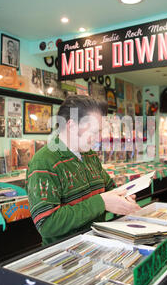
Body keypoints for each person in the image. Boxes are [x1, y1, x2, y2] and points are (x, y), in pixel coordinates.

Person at [27, 95, 141, 245]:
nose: (99, 138)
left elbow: (109, 189)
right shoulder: (43, 162)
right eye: (94, 132)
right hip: (66, 255)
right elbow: (47, 224)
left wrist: (123, 197)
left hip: (97, 244)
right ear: (71, 126)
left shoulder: (90, 156)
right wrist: (102, 203)